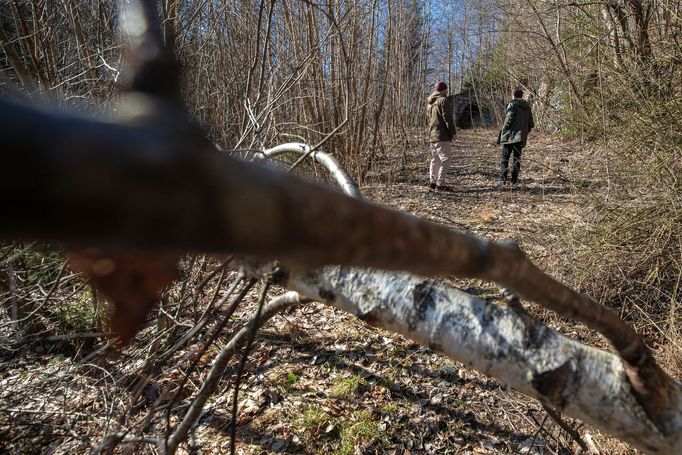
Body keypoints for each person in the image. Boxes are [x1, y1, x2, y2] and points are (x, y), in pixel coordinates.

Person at [497, 87, 534, 185]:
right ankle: (514, 180)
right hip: (520, 138)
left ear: (513, 95)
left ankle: (502, 179)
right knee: (517, 159)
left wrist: (503, 130)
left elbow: (509, 120)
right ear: (521, 95)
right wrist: (524, 133)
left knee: (505, 158)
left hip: (509, 137)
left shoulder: (512, 105)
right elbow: (531, 124)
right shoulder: (527, 107)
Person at [427, 81, 458, 192]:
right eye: (446, 89)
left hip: (432, 135)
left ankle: (432, 182)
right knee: (445, 159)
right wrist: (453, 133)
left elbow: (428, 119)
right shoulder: (444, 100)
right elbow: (447, 118)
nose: (447, 91)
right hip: (442, 135)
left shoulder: (430, 103)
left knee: (435, 160)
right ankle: (440, 184)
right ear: (445, 90)